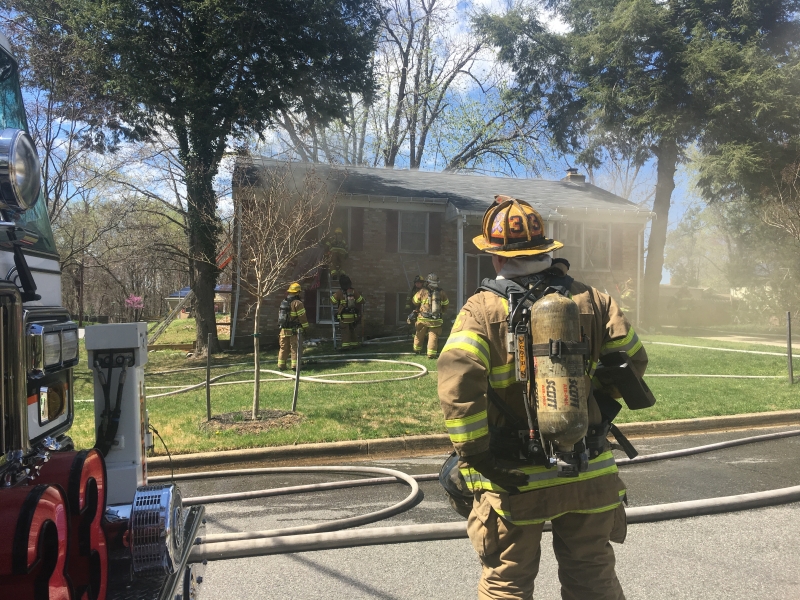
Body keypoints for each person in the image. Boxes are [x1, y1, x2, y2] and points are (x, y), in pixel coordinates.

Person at [438, 195, 649, 600]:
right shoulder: (594, 300)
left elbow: (458, 383)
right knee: (593, 579)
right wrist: (596, 414)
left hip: (514, 478)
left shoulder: (480, 310)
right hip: (588, 469)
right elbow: (632, 363)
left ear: (496, 257)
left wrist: (476, 455)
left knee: (507, 585)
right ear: (546, 249)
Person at [412, 273, 449, 358]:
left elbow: (415, 301)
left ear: (428, 282)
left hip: (423, 319)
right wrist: (441, 312)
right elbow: (446, 304)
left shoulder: (422, 291)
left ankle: (417, 350)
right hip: (436, 320)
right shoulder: (441, 292)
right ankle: (431, 354)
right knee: (433, 336)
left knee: (419, 334)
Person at [277, 282, 309, 370]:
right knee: (295, 347)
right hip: (294, 331)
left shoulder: (283, 302)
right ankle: (295, 366)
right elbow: (302, 318)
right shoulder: (298, 303)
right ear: (298, 292)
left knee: (283, 348)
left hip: (283, 330)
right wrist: (306, 328)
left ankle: (281, 365)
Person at [330, 274, 364, 350]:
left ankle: (345, 346)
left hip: (343, 318)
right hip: (352, 317)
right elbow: (361, 300)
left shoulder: (339, 292)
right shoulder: (353, 291)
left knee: (345, 331)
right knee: (352, 330)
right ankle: (355, 345)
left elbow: (332, 301)